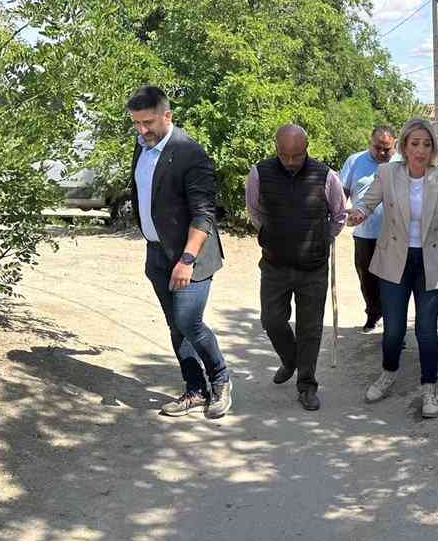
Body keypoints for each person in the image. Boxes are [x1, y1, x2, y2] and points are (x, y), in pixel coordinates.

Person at [346, 118, 438, 418]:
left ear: (433, 150)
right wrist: (358, 214)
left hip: (428, 262)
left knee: (427, 331)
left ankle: (429, 387)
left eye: (426, 144)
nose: (420, 149)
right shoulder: (387, 173)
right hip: (394, 260)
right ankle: (388, 373)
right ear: (404, 146)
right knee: (393, 330)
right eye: (414, 143)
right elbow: (367, 202)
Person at [126, 85, 232, 418]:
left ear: (167, 116)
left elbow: (203, 213)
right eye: (136, 124)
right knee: (175, 325)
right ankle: (195, 389)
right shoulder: (142, 146)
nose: (142, 131)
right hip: (157, 253)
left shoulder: (190, 152)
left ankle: (222, 379)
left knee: (189, 320)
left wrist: (186, 259)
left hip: (192, 256)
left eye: (148, 123)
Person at [244, 124, 346, 411]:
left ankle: (307, 384)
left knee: (310, 328)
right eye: (284, 155)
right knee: (271, 320)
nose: (290, 162)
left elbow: (338, 215)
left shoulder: (326, 176)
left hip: (313, 268)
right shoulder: (259, 173)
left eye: (297, 156)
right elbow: (255, 211)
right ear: (276, 148)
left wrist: (321, 240)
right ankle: (290, 360)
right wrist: (272, 235)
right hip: (275, 264)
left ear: (307, 148)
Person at [340, 126, 396, 332]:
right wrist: (338, 215)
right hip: (364, 233)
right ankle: (373, 313)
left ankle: (394, 325)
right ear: (369, 144)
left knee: (393, 281)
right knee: (367, 279)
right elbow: (342, 191)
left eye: (387, 149)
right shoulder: (355, 161)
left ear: (395, 145)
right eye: (377, 148)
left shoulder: (400, 163)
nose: (382, 153)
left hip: (394, 235)